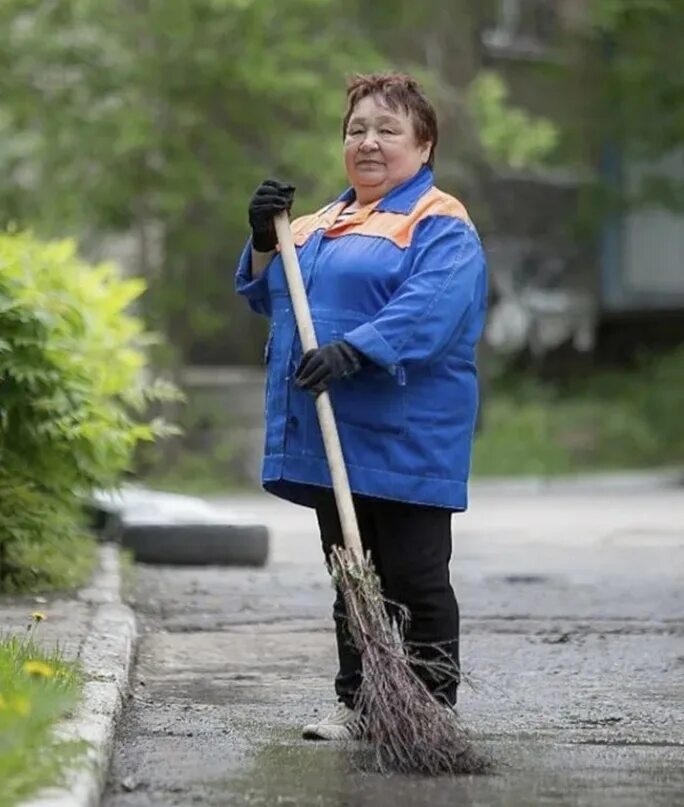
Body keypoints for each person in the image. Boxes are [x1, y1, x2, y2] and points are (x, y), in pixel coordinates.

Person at [235, 73, 487, 741]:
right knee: (353, 574)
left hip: (407, 433)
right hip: (334, 434)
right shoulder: (317, 224)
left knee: (415, 576)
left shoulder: (439, 222)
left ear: (425, 145)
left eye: (388, 130)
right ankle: (358, 700)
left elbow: (434, 304)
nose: (368, 142)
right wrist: (266, 236)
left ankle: (430, 704)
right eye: (356, 130)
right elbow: (272, 296)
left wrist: (358, 350)